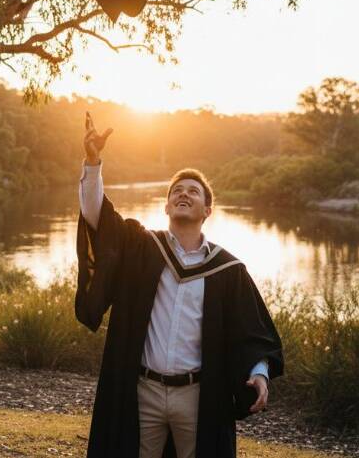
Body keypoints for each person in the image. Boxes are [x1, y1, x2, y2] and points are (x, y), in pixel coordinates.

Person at [75, 112, 284, 458]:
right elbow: (98, 220)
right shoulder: (142, 247)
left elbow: (253, 332)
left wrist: (259, 373)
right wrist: (94, 162)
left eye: (193, 191)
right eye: (177, 191)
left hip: (197, 395)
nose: (184, 194)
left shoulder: (226, 269)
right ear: (167, 205)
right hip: (144, 389)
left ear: (208, 209)